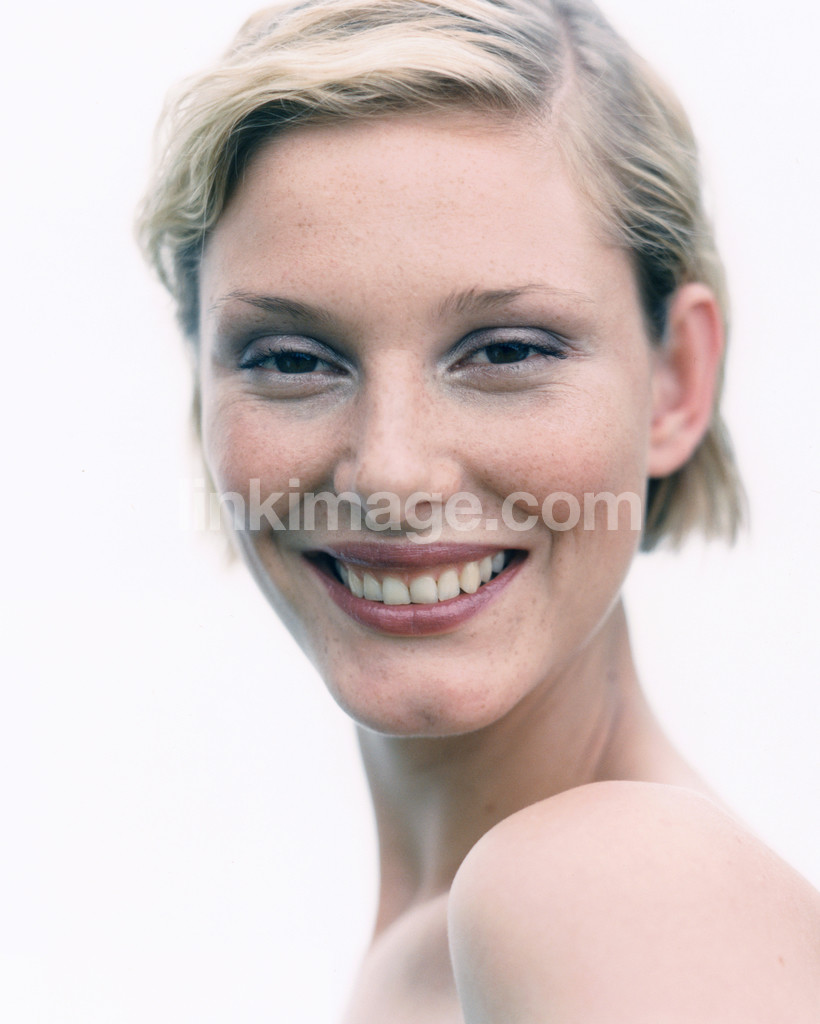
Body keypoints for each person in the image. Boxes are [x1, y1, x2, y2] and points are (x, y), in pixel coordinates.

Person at [137, 0, 820, 1018]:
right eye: (290, 360)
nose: (389, 476)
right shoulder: (456, 941)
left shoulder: (609, 891)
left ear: (677, 379)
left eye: (505, 350)